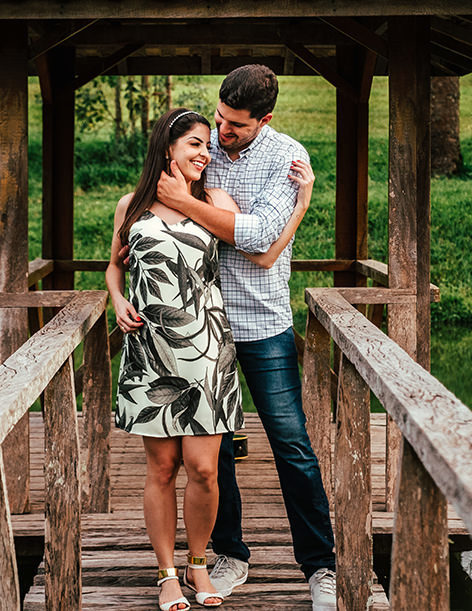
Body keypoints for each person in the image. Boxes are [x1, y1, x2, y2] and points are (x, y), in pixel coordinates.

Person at [107, 107, 315, 610]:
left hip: (207, 349)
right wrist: (117, 300)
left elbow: (264, 254)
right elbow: (114, 267)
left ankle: (201, 567)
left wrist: (302, 203)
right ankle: (167, 575)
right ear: (168, 147)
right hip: (150, 352)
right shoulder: (130, 206)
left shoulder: (216, 200)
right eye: (195, 144)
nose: (206, 153)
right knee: (161, 470)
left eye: (207, 144)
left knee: (204, 468)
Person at [155, 65, 338, 609]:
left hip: (263, 326)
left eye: (234, 124)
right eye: (218, 118)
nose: (220, 131)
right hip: (205, 329)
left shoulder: (287, 158)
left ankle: (320, 566)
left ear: (265, 119)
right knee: (217, 454)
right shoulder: (204, 143)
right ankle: (229, 554)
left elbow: (260, 243)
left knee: (293, 447)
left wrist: (192, 204)